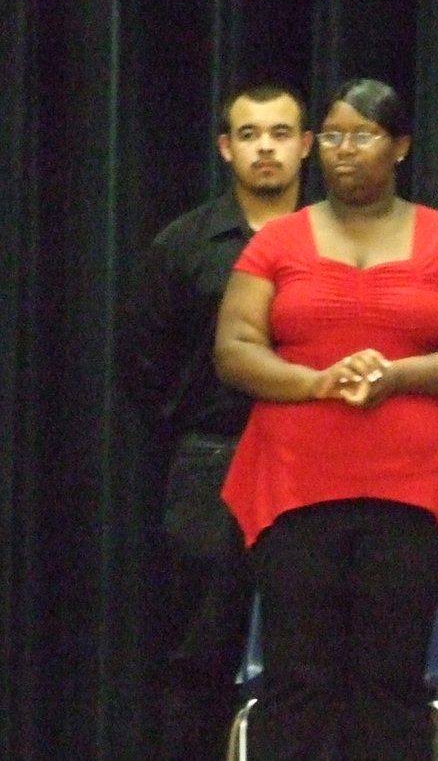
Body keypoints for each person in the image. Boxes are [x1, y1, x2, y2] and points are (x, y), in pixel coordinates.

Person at [214, 78, 438, 760]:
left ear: (399, 146)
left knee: (389, 678)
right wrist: (316, 381)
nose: (345, 152)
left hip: (415, 488)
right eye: (335, 136)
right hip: (293, 485)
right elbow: (234, 349)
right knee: (299, 678)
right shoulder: (277, 242)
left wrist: (398, 375)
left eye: (364, 136)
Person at [117, 83, 312, 760]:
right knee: (198, 651)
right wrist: (195, 431)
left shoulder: (333, 240)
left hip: (315, 461)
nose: (266, 147)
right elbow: (144, 359)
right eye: (251, 133)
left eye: (281, 133)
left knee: (309, 655)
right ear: (227, 147)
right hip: (214, 459)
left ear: (306, 146)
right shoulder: (185, 244)